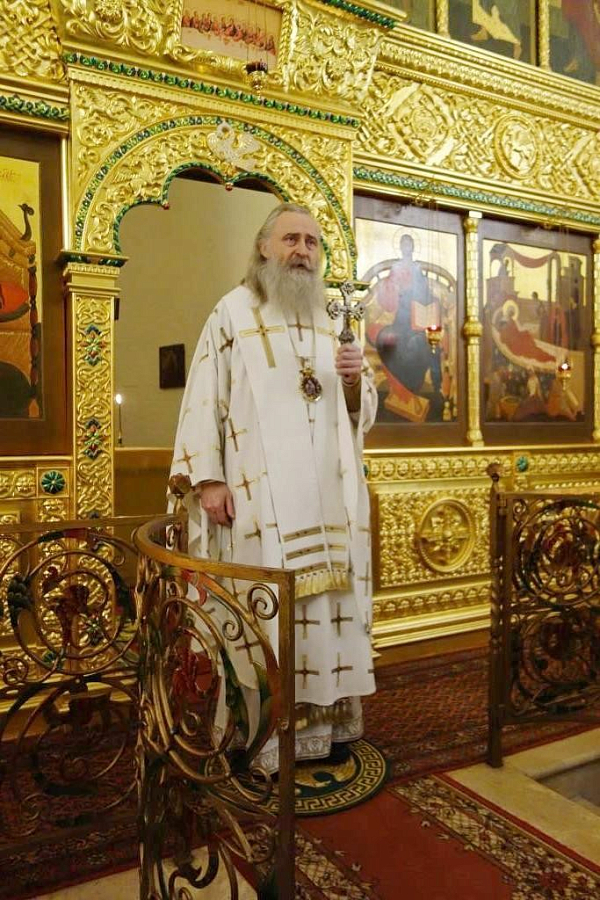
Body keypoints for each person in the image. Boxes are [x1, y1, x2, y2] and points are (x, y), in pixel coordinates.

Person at [168, 202, 377, 773]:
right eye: (291, 239)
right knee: (267, 613)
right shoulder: (231, 313)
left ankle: (327, 728)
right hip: (260, 499)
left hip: (328, 499)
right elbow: (204, 396)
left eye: (311, 241)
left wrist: (355, 382)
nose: (302, 251)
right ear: (264, 247)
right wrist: (209, 479)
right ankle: (263, 734)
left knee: (329, 610)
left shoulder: (332, 316)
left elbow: (358, 414)